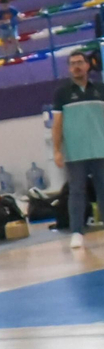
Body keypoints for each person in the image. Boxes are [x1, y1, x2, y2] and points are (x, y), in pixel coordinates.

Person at [52, 49, 104, 249]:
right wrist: (57, 150)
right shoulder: (62, 93)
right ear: (69, 68)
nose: (76, 66)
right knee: (76, 192)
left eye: (80, 62)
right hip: (75, 152)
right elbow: (57, 124)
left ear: (88, 65)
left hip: (100, 149)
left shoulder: (100, 89)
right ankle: (77, 232)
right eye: (72, 63)